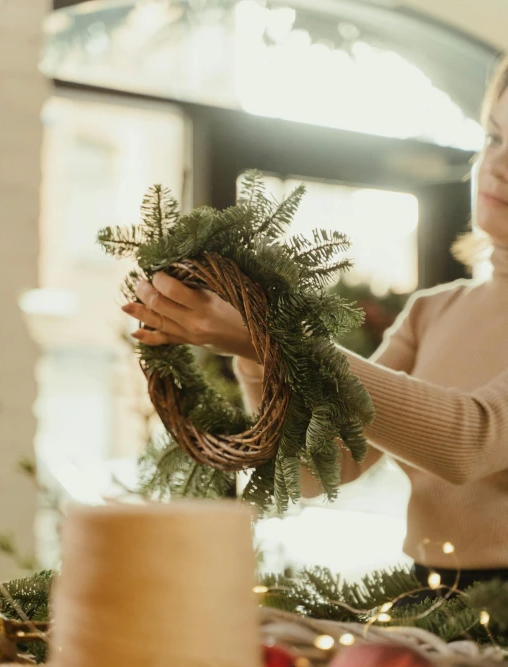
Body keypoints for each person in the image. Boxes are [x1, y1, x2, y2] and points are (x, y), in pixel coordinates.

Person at [122, 55, 508, 591]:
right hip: (429, 602)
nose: (498, 165)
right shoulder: (434, 311)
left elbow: (469, 442)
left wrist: (274, 337)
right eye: (494, 138)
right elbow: (316, 469)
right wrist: (257, 354)